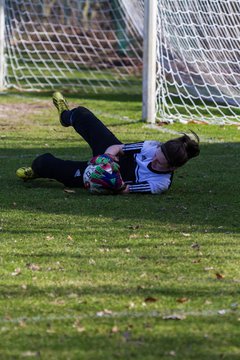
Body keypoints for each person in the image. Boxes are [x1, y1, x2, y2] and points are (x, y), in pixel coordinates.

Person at [16, 92, 200, 194]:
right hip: (116, 159)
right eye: (156, 156)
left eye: (160, 163)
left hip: (113, 178)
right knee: (81, 114)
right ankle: (65, 116)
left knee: (45, 163)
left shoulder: (160, 183)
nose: (154, 161)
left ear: (173, 168)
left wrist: (104, 178)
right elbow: (119, 148)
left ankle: (35, 172)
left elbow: (126, 189)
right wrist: (107, 157)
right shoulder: (152, 147)